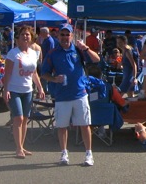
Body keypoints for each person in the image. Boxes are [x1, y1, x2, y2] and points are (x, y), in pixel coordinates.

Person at [41, 23, 101, 166]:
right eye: (62, 34)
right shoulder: (53, 53)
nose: (65, 37)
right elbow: (44, 73)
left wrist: (85, 47)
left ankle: (88, 154)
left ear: (72, 36)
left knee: (85, 124)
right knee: (62, 126)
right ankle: (64, 153)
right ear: (58, 35)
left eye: (67, 34)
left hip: (80, 94)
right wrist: (54, 79)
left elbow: (97, 59)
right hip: (62, 95)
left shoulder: (79, 50)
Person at [3, 26, 45, 158]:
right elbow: (7, 73)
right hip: (14, 90)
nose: (25, 37)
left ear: (31, 37)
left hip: (28, 90)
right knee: (18, 118)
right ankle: (18, 148)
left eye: (27, 35)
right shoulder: (13, 53)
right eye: (23, 35)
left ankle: (22, 145)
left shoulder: (33, 53)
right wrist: (5, 90)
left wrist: (40, 88)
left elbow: (34, 73)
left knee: (25, 119)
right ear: (18, 38)